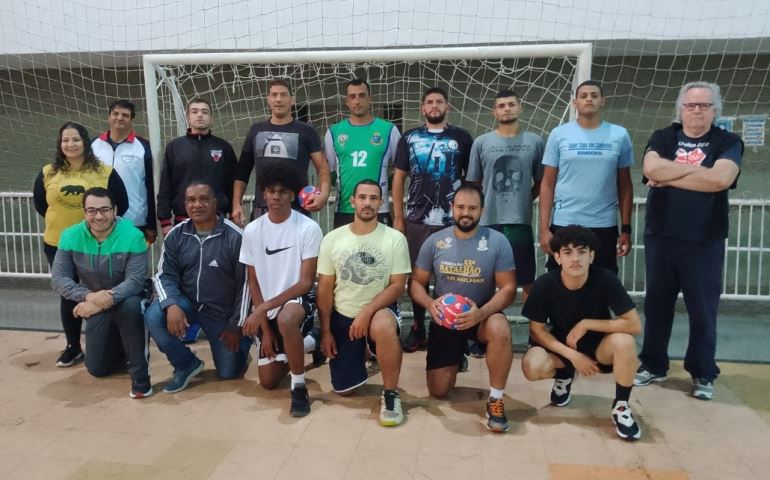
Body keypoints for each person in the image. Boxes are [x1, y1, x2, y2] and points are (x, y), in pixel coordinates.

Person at [635, 81, 743, 401]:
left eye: (704, 105)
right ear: (680, 109)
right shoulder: (663, 137)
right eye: (691, 105)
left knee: (702, 310)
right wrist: (699, 173)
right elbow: (651, 167)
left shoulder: (728, 141)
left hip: (704, 240)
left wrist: (671, 174)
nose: (697, 111)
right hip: (661, 235)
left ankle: (703, 372)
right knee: (656, 305)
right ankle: (653, 364)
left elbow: (721, 179)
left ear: (715, 111)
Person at [410, 183, 517, 433]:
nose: (465, 213)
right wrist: (429, 303)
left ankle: (496, 399)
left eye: (472, 208)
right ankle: (457, 357)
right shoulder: (435, 241)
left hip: (480, 318)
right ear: (452, 208)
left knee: (500, 327)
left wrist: (481, 313)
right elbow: (416, 283)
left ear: (481, 210)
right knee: (438, 392)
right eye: (460, 207)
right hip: (445, 321)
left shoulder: (497, 242)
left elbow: (509, 289)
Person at [521, 225, 642, 441]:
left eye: (582, 251)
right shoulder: (545, 285)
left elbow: (634, 325)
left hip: (599, 348)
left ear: (592, 255)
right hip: (563, 348)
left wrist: (586, 324)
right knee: (532, 365)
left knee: (625, 342)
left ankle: (622, 406)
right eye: (567, 252)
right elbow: (537, 331)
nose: (575, 258)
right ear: (557, 258)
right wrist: (573, 357)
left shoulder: (606, 279)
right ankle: (564, 376)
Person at [33, 121, 128, 368]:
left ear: (85, 142)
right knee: (69, 293)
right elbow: (42, 206)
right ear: (59, 143)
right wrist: (67, 228)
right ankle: (73, 347)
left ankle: (116, 345)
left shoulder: (104, 172)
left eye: (75, 139)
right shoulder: (48, 172)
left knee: (107, 290)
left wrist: (95, 227)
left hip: (99, 243)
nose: (70, 144)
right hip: (58, 243)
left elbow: (121, 204)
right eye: (65, 140)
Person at [317, 179, 411, 427]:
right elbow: (325, 288)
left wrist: (367, 312)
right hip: (343, 315)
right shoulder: (333, 239)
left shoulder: (395, 239)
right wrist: (325, 331)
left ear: (381, 203)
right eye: (362, 197)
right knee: (344, 391)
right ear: (352, 201)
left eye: (373, 198)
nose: (367, 203)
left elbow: (397, 285)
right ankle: (367, 353)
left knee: (382, 326)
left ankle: (390, 394)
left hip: (379, 310)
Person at [144, 182, 252, 393]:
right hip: (187, 304)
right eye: (191, 200)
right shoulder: (176, 234)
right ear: (185, 204)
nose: (197, 205)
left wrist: (236, 325)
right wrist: (171, 304)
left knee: (229, 373)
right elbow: (164, 275)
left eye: (204, 199)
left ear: (215, 203)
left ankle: (244, 343)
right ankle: (185, 363)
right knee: (153, 315)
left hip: (221, 312)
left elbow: (246, 285)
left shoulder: (234, 237)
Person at [391, 86, 473, 352]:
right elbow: (399, 178)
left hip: (453, 220)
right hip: (418, 219)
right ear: (423, 108)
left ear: (447, 106)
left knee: (453, 276)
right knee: (418, 276)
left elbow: (472, 179)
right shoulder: (410, 137)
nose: (434, 106)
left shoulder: (462, 137)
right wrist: (399, 218)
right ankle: (418, 327)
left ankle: (453, 329)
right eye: (430, 102)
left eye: (439, 102)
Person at [239, 161, 324, 417]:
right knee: (267, 381)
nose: (276, 196)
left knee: (287, 319)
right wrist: (265, 330)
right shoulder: (253, 230)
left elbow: (306, 282)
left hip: (297, 302)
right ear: (263, 193)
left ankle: (299, 388)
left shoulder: (308, 228)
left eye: (283, 191)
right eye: (271, 191)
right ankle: (310, 342)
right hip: (267, 310)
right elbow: (253, 282)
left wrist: (263, 308)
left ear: (292, 194)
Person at [50, 187, 151, 398]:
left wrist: (104, 299)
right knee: (97, 369)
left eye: (105, 210)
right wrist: (89, 297)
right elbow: (59, 279)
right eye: (92, 210)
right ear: (84, 212)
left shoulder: (133, 236)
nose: (98, 216)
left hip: (128, 297)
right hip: (95, 300)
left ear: (115, 210)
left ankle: (140, 377)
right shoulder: (70, 236)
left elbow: (134, 281)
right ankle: (124, 348)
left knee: (131, 308)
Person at [538, 80, 634, 274]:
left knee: (602, 285)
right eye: (583, 96)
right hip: (565, 223)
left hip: (604, 224)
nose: (589, 99)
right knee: (561, 285)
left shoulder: (620, 135)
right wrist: (544, 228)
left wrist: (626, 229)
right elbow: (547, 183)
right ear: (575, 102)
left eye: (594, 95)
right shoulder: (558, 134)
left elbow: (625, 185)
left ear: (602, 101)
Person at [466, 89, 544, 300]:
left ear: (520, 107)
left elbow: (543, 181)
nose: (507, 109)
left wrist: (526, 198)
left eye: (511, 104)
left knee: (527, 279)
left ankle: (534, 329)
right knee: (485, 278)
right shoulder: (481, 143)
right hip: (488, 222)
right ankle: (484, 324)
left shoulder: (535, 142)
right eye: (501, 106)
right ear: (494, 112)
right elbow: (473, 184)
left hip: (520, 222)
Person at [232, 78, 331, 223]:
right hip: (263, 209)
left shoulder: (307, 131)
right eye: (274, 95)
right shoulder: (256, 130)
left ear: (292, 100)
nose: (278, 99)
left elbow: (323, 169)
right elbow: (242, 172)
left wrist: (324, 194)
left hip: (297, 209)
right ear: (268, 99)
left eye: (283, 95)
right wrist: (236, 203)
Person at [324, 78, 401, 227]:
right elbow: (330, 172)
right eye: (352, 97)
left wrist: (383, 187)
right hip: (345, 209)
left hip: (379, 209)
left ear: (370, 99)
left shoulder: (388, 130)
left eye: (362, 95)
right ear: (347, 101)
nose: (357, 101)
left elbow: (400, 170)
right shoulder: (333, 132)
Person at [156, 98, 238, 236]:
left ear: (211, 119)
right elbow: (165, 186)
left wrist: (234, 212)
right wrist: (165, 220)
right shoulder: (175, 147)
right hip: (184, 221)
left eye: (205, 112)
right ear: (188, 117)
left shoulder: (224, 147)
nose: (200, 115)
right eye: (195, 112)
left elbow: (233, 185)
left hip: (217, 222)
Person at [91, 99, 157, 244]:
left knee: (133, 266)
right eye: (115, 113)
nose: (119, 118)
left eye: (125, 115)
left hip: (134, 220)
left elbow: (151, 186)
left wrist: (151, 223)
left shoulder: (143, 147)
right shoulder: (93, 145)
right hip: (98, 219)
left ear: (131, 119)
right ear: (109, 116)